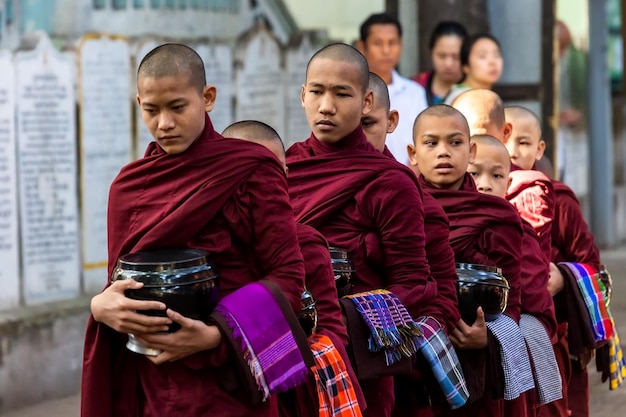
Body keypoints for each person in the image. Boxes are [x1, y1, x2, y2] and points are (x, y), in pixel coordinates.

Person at [81, 44, 308, 417]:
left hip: (227, 380)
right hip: (152, 383)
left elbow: (287, 277)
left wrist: (217, 335)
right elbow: (120, 282)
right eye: (151, 111)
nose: (164, 124)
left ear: (207, 98)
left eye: (177, 107)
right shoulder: (129, 186)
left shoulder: (250, 169)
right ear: (139, 103)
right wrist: (101, 305)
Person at [287, 42, 444, 417]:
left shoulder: (391, 182)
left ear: (366, 101)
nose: (326, 106)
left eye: (342, 94)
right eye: (317, 92)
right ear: (302, 95)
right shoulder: (285, 166)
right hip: (288, 348)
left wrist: (346, 316)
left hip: (360, 361)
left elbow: (415, 282)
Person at [222, 120, 365, 417]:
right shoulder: (209, 247)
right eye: (244, 174)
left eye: (268, 174)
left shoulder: (307, 244)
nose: (256, 185)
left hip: (293, 392)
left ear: (285, 177)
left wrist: (275, 354)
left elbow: (332, 332)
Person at [408, 105, 534, 417]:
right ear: (412, 153)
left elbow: (513, 299)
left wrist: (487, 337)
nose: (443, 153)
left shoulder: (498, 215)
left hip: (475, 359)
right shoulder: (400, 206)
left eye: (454, 142)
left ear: (471, 150)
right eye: (431, 143)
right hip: (413, 355)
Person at [363, 72, 466, 416]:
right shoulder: (306, 172)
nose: (355, 137)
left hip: (395, 362)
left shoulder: (412, 198)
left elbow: (441, 295)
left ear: (391, 122)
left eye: (366, 123)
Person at [504, 106, 603, 417]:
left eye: (523, 142)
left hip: (554, 327)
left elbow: (595, 269)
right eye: (506, 139)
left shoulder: (558, 199)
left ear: (539, 148)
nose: (513, 151)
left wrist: (564, 276)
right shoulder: (485, 194)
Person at [468, 135, 562, 416]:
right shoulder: (439, 215)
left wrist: (494, 335)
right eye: (474, 174)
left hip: (501, 362)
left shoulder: (517, 229)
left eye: (496, 175)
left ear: (508, 184)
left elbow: (537, 306)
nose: (484, 184)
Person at [451, 89, 555, 256]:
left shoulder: (529, 191)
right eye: (456, 139)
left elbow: (533, 263)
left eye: (476, 135)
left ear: (505, 132)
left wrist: (564, 275)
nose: (469, 147)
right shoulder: (446, 182)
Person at [358, 13, 428, 165]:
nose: (386, 50)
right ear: (362, 46)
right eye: (378, 43)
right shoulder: (353, 93)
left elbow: (425, 142)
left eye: (392, 42)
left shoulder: (415, 93)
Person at [414, 21, 468, 106]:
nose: (448, 64)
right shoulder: (414, 86)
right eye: (442, 56)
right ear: (431, 53)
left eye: (456, 57)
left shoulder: (474, 91)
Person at [444, 34, 503, 105]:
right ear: (466, 66)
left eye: (496, 55)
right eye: (482, 56)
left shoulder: (484, 96)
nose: (492, 62)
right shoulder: (463, 98)